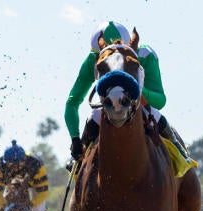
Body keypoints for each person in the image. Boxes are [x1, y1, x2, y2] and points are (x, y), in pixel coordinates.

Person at [65, 20, 188, 161]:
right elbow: (72, 103)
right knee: (94, 116)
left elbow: (160, 101)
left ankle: (181, 154)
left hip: (140, 104)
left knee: (153, 112)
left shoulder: (145, 55)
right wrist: (75, 139)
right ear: (98, 54)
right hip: (107, 105)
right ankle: (76, 165)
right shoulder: (92, 60)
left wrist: (137, 88)